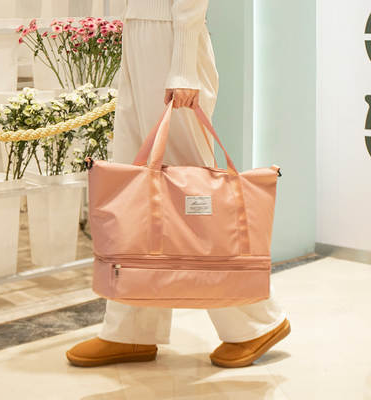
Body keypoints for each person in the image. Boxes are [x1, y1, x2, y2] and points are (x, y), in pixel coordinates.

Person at [66, 0, 290, 368]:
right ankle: (130, 329)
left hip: (170, 41)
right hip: (140, 34)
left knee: (190, 186)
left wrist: (184, 69)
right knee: (134, 183)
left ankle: (254, 320)